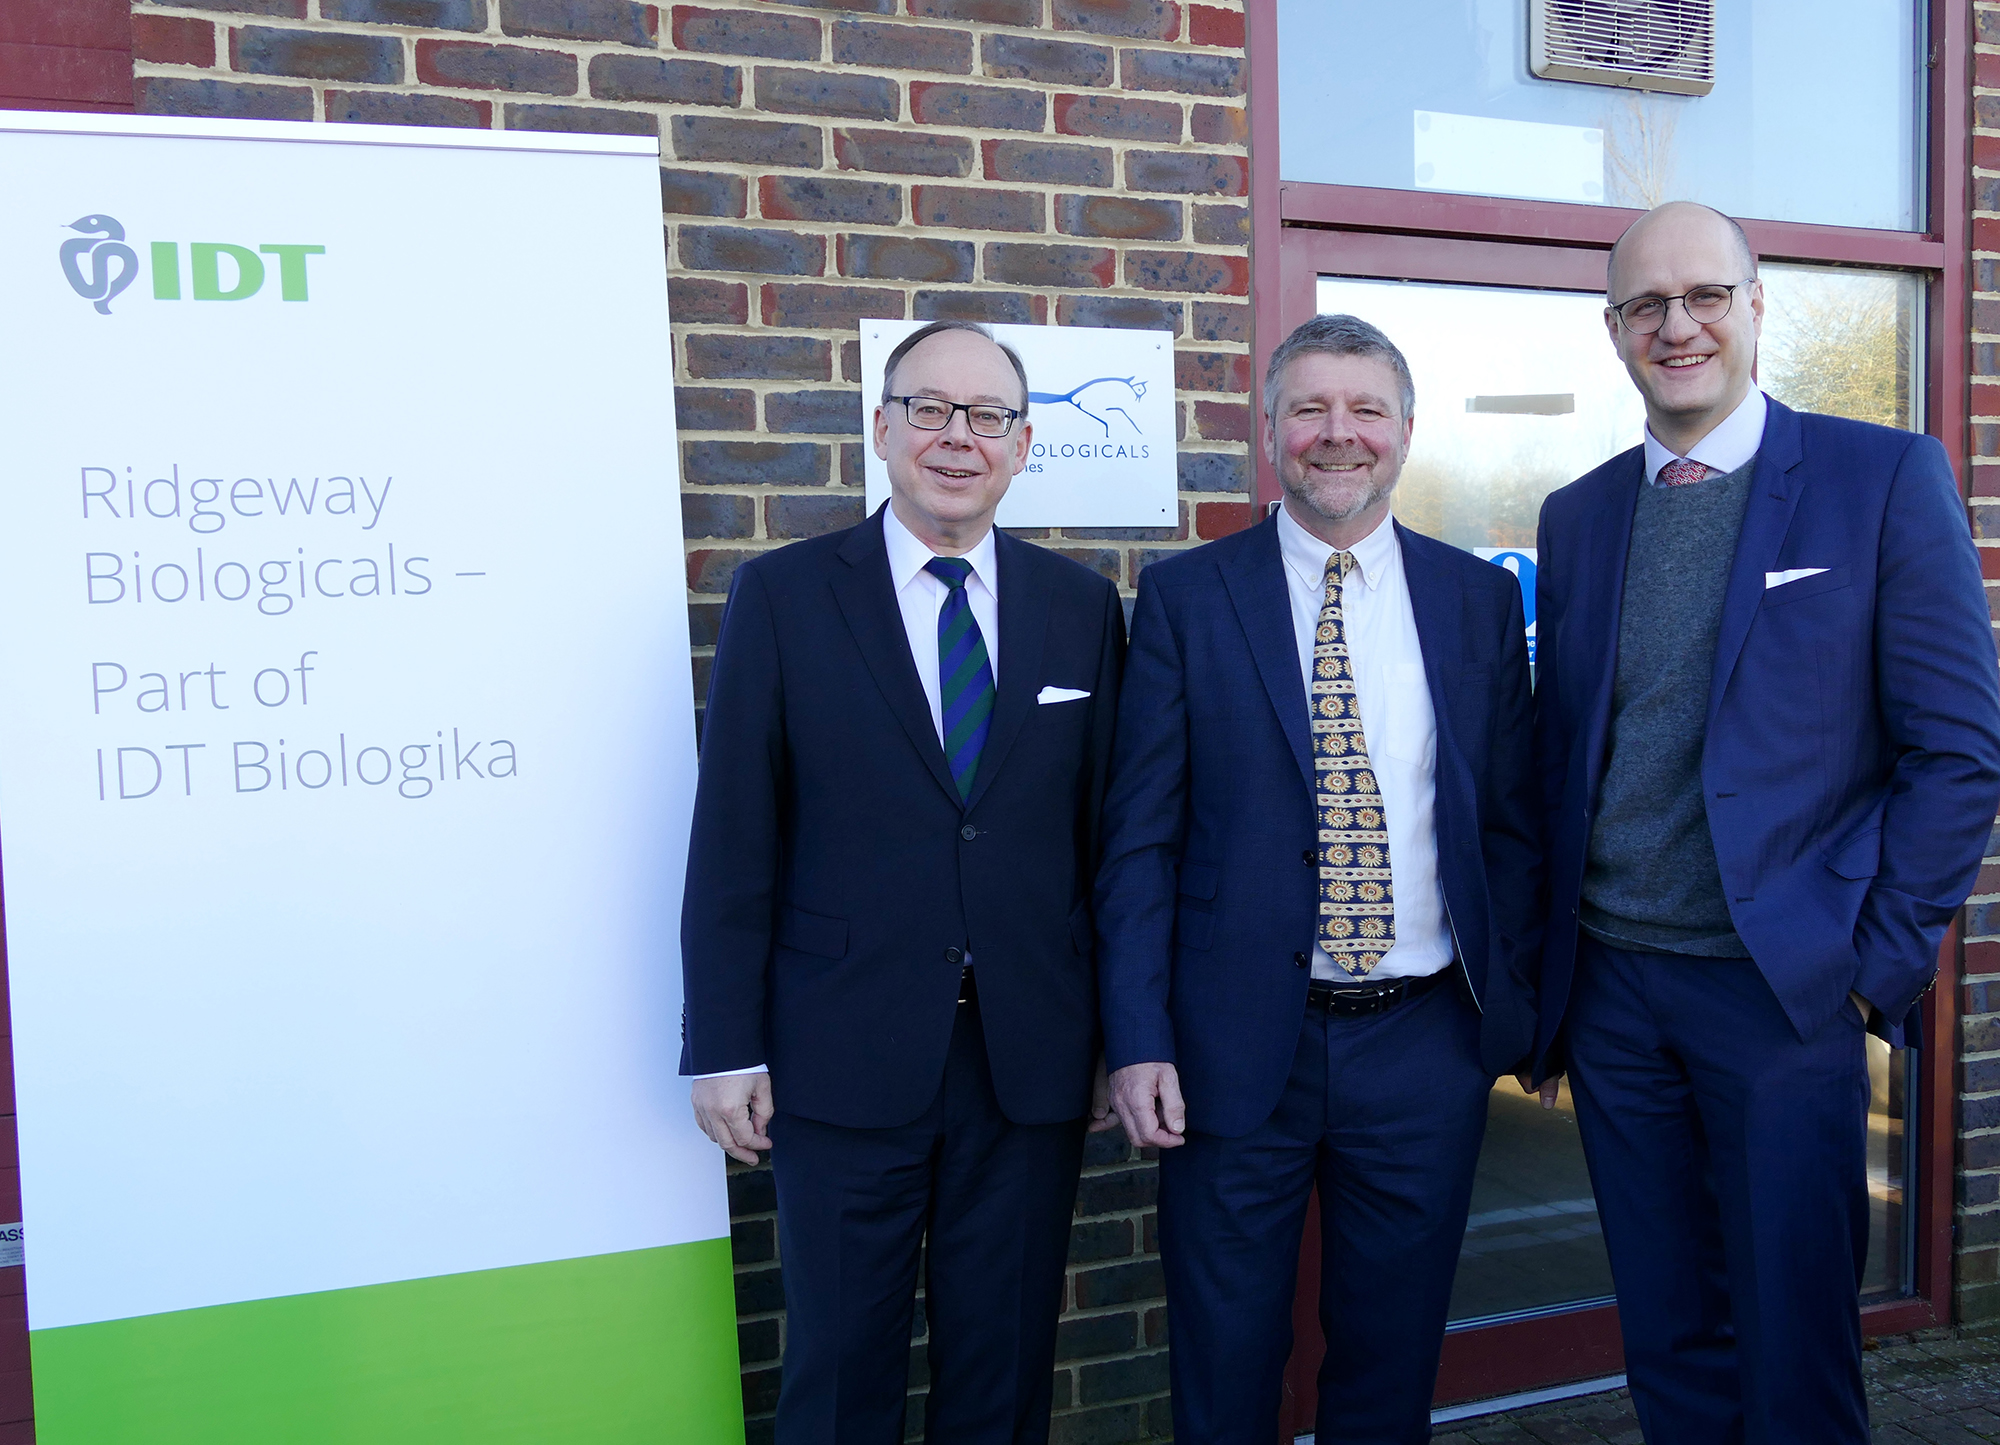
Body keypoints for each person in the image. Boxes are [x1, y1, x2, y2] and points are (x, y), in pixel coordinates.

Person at [1530, 201, 2000, 1445]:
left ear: (1752, 305)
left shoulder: (1878, 478)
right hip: (1614, 990)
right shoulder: (1576, 516)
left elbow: (1956, 752)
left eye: (1702, 296)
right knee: (1667, 1330)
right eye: (1644, 304)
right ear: (1611, 329)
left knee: (1794, 1343)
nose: (1674, 325)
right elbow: (1565, 751)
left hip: (1780, 992)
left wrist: (1869, 967)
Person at [1095, 314, 1541, 1445]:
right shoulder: (1189, 597)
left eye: (1365, 409)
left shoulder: (1475, 600)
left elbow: (1508, 824)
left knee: (1390, 1360)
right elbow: (1140, 839)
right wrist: (1137, 1037)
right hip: (1233, 1043)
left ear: (1404, 432)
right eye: (1309, 408)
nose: (1337, 433)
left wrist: (1522, 1011)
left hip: (1423, 1044)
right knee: (1225, 1356)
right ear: (1268, 432)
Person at [679, 319, 1126, 1444]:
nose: (957, 437)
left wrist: (1118, 1034)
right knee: (838, 1376)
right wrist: (724, 1042)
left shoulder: (1081, 609)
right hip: (839, 1057)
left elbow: (1106, 842)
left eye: (988, 416)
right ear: (880, 429)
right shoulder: (783, 596)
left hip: (1027, 1062)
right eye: (929, 409)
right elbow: (733, 836)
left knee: (1002, 1374)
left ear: (1022, 446)